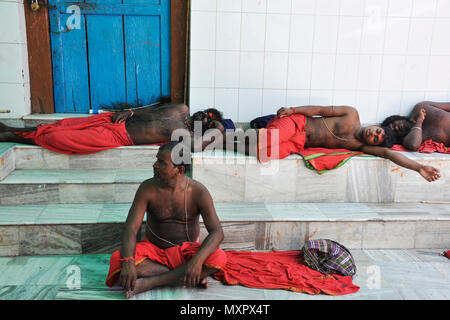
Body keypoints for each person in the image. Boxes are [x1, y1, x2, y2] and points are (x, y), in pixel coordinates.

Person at [105, 141, 226, 299]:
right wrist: (128, 260)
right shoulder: (147, 188)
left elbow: (217, 232)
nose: (155, 165)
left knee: (219, 257)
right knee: (118, 259)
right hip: (154, 250)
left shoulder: (198, 192)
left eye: (161, 162)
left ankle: (151, 282)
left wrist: (197, 260)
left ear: (180, 169)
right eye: (157, 160)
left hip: (186, 252)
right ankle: (184, 276)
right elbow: (131, 228)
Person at [226, 105, 440, 182]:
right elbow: (321, 110)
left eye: (376, 139)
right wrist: (293, 110)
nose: (373, 135)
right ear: (377, 126)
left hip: (299, 143)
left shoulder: (358, 146)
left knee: (266, 154)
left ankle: (221, 140)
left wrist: (419, 167)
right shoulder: (351, 114)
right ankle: (221, 138)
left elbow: (390, 155)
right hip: (297, 123)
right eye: (377, 132)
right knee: (266, 140)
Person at [0, 103, 224, 155]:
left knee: (61, 137)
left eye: (208, 120)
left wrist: (220, 129)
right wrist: (130, 111)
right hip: (117, 119)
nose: (205, 116)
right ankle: (11, 127)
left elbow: (198, 146)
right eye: (207, 112)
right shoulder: (181, 108)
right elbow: (151, 109)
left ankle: (10, 136)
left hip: (118, 135)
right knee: (62, 124)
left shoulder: (187, 135)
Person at [381, 101, 450, 151]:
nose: (396, 128)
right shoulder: (408, 138)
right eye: (394, 131)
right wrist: (419, 121)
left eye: (393, 124)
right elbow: (413, 145)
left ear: (396, 118)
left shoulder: (420, 107)